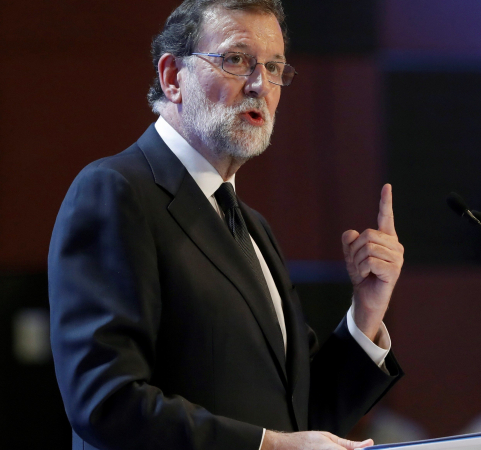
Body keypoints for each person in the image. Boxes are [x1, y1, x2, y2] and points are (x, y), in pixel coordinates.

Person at [48, 1, 405, 449]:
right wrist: (268, 446)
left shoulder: (253, 227)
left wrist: (367, 313)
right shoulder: (117, 192)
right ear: (173, 78)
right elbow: (104, 401)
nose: (261, 85)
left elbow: (299, 415)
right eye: (237, 60)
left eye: (274, 68)